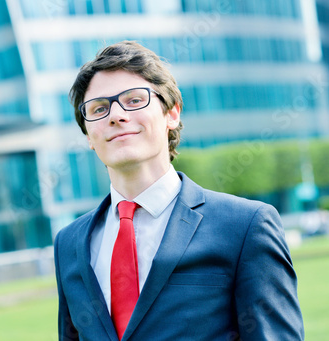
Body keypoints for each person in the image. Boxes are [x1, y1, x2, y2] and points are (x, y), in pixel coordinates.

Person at [53, 41, 304, 340]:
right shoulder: (68, 243)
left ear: (172, 114)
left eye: (134, 100)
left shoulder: (245, 226)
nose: (116, 115)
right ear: (89, 136)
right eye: (99, 108)